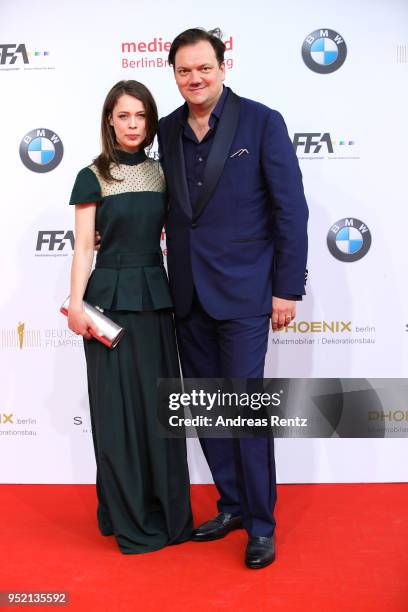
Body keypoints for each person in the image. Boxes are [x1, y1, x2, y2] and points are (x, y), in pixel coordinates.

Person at [158, 28, 308, 568]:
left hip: (246, 293)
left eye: (203, 68)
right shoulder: (168, 129)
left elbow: (290, 209)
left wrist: (286, 288)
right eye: (183, 71)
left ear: (223, 66)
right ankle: (233, 504)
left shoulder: (262, 121)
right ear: (173, 74)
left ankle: (262, 525)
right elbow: (170, 207)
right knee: (208, 410)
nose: (194, 78)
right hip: (188, 294)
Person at [67, 80, 192, 554]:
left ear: (151, 121)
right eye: (124, 116)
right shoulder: (91, 175)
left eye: (141, 116)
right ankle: (127, 514)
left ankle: (165, 510)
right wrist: (76, 305)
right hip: (107, 306)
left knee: (159, 410)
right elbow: (83, 246)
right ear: (110, 121)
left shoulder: (164, 174)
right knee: (116, 414)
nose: (133, 124)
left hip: (155, 302)